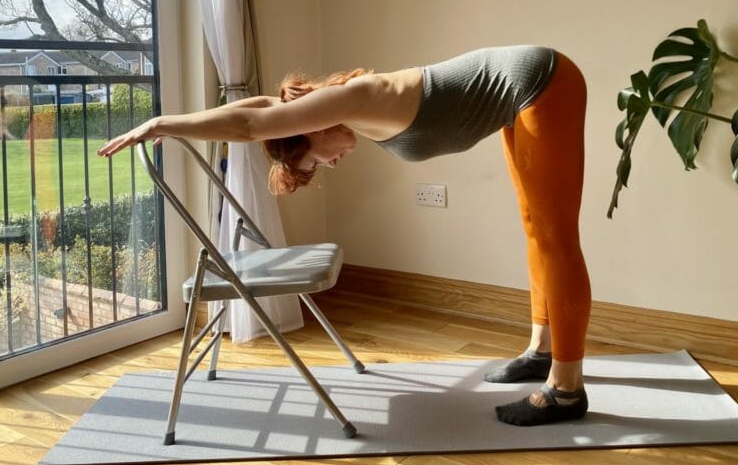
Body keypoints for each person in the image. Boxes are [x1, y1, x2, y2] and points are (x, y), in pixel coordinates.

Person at [98, 45, 591, 426]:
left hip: (540, 82)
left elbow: (252, 123)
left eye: (316, 158)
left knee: (555, 237)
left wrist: (164, 122)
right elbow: (258, 106)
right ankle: (541, 350)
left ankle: (566, 391)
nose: (331, 162)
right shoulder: (331, 109)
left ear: (312, 128)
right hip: (516, 93)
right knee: (535, 227)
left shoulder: (352, 99)